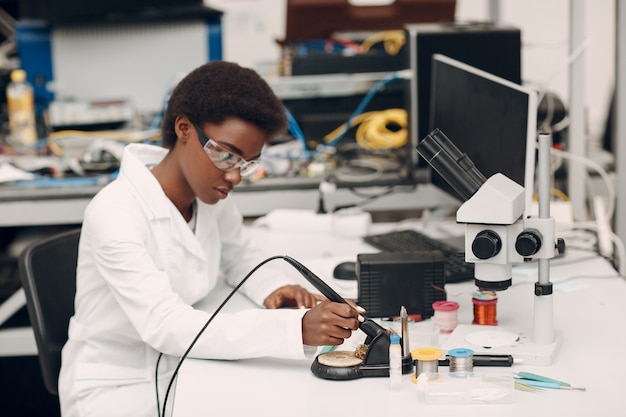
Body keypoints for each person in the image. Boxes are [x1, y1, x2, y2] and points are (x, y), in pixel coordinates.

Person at [58, 61, 364, 417]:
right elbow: (165, 325)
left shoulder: (209, 194)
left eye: (247, 163)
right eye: (225, 154)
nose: (234, 175)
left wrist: (273, 288)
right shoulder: (116, 211)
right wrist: (295, 328)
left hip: (185, 365)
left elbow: (240, 257)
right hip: (117, 386)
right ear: (184, 128)